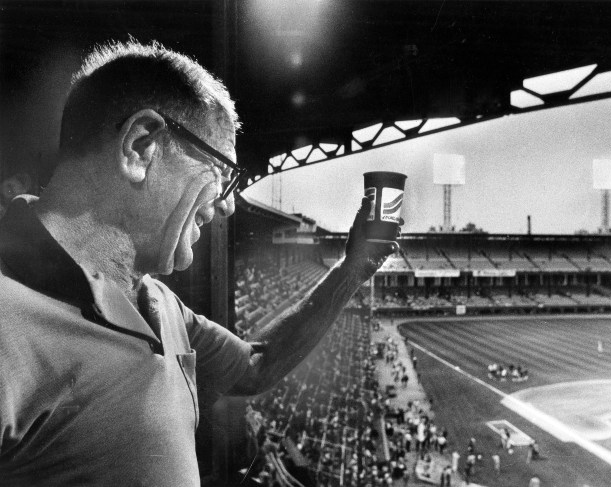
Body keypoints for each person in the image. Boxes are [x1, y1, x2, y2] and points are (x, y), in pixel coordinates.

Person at [0, 40, 400, 486]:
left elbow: (256, 366)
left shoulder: (158, 302)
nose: (228, 207)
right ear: (140, 146)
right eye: (223, 173)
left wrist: (350, 269)